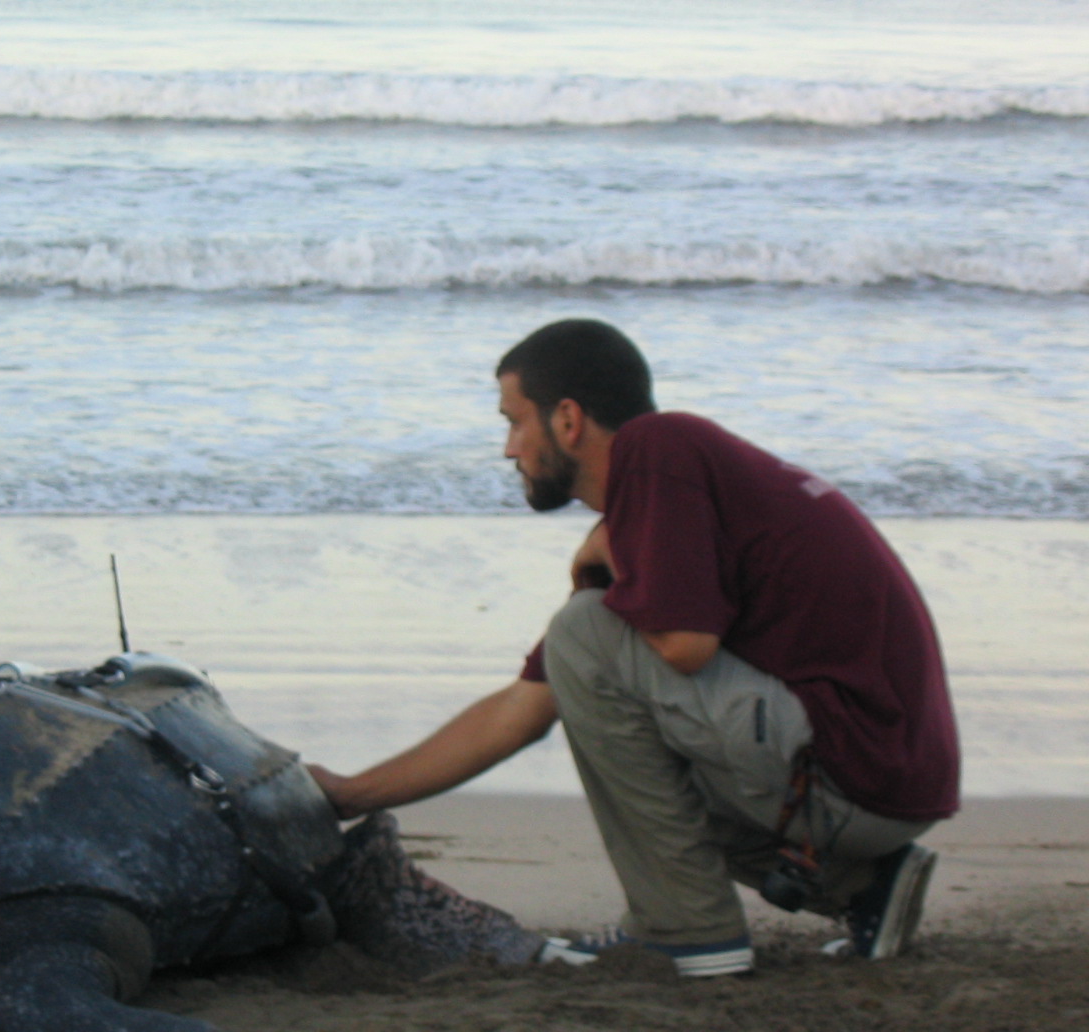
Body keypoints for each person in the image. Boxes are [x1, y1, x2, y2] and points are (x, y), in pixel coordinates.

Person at [309, 318, 959, 977]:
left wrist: (606, 552)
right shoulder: (665, 502)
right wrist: (352, 794)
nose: (508, 449)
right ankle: (865, 886)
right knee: (588, 650)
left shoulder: (659, 447)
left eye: (513, 421)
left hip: (853, 773)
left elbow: (685, 646)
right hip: (875, 782)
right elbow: (523, 709)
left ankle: (687, 934)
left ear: (567, 420)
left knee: (582, 633)